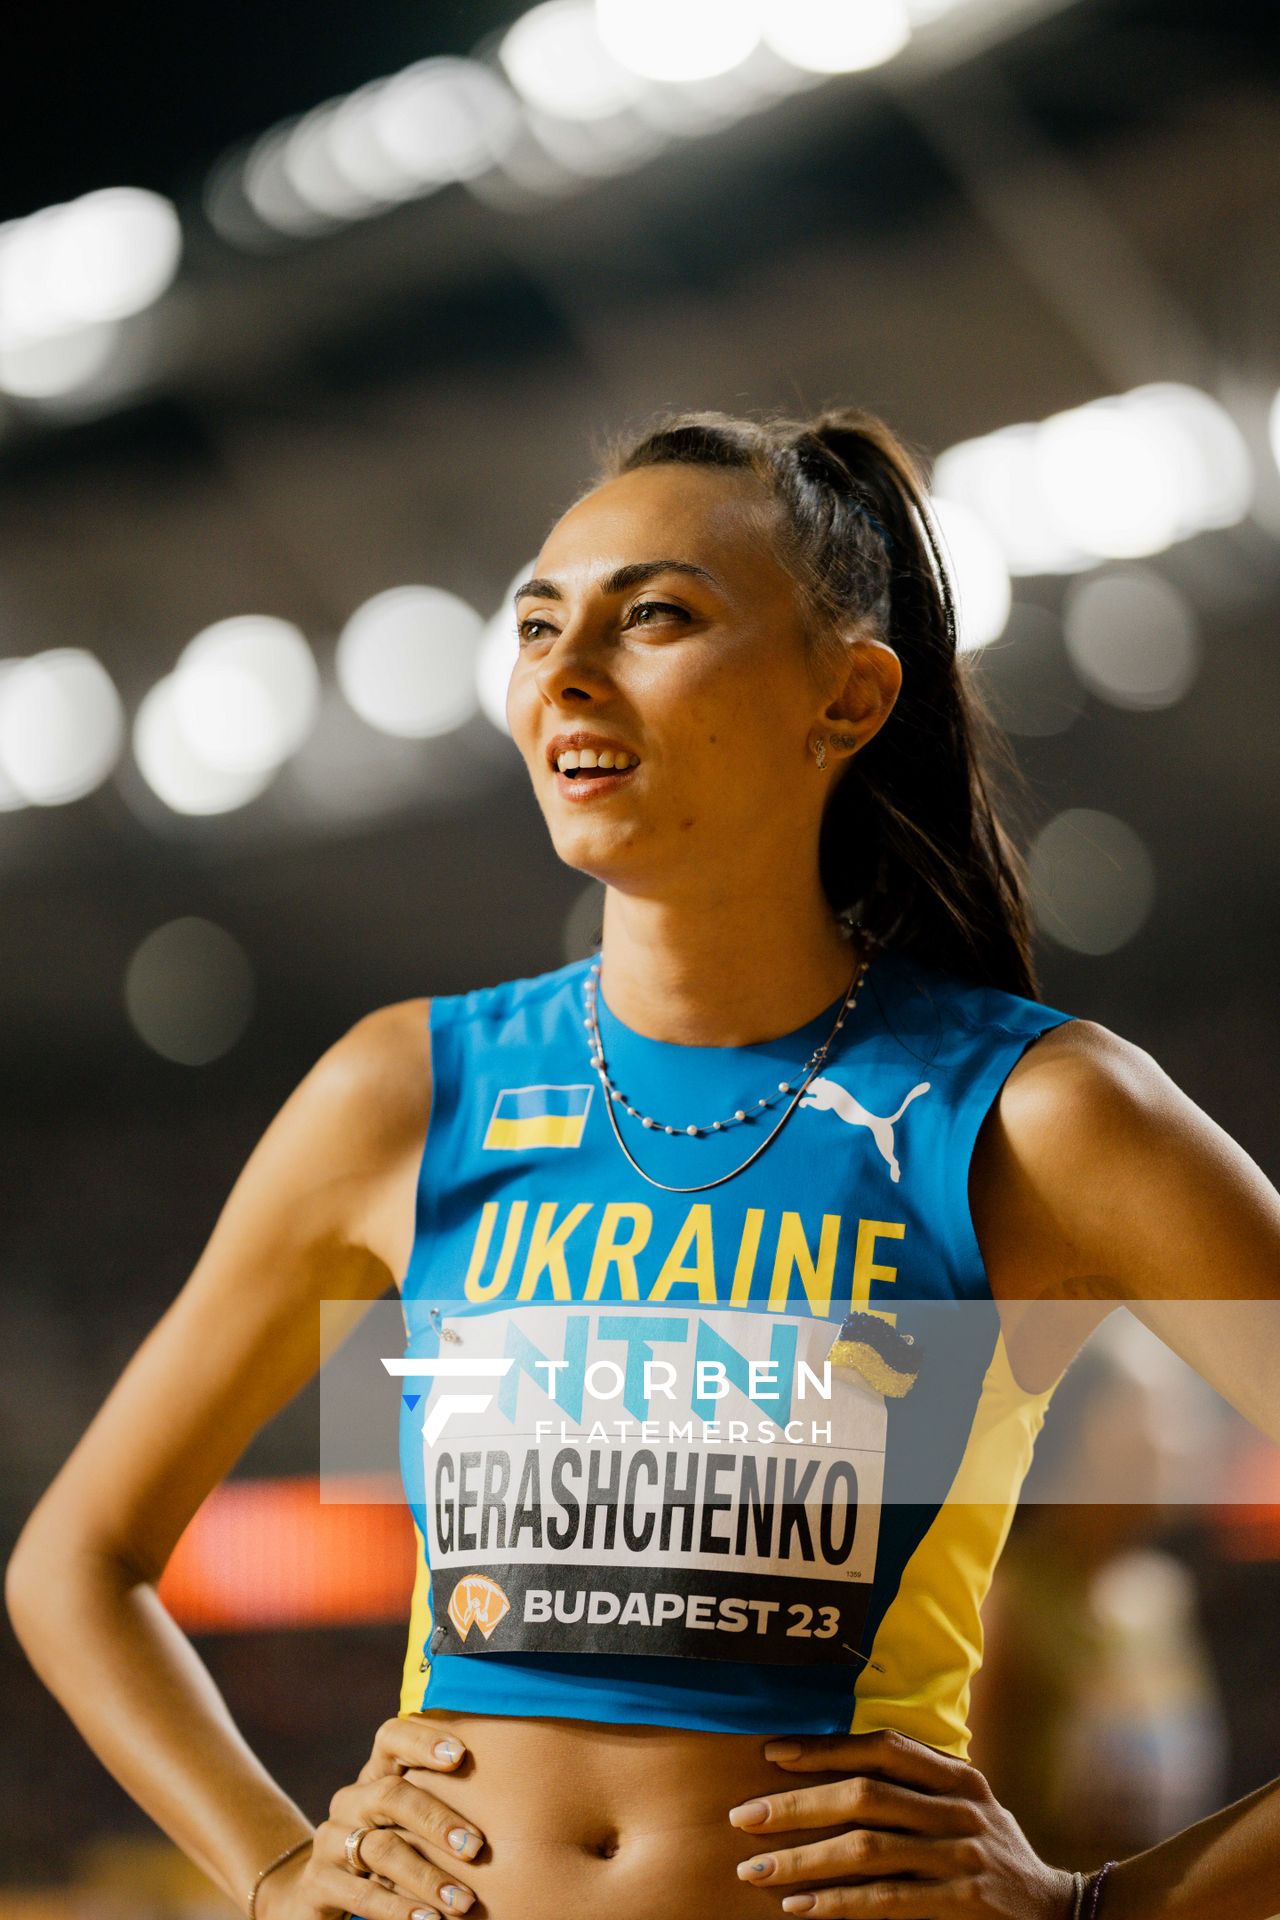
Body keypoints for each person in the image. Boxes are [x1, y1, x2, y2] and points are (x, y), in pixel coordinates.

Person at [6, 405, 1280, 1920]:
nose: (561, 670)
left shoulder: (1039, 1118)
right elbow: (75, 1563)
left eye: (654, 615)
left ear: (850, 696)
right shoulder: (401, 1094)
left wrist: (1105, 1910)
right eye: (538, 624)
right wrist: (276, 1868)